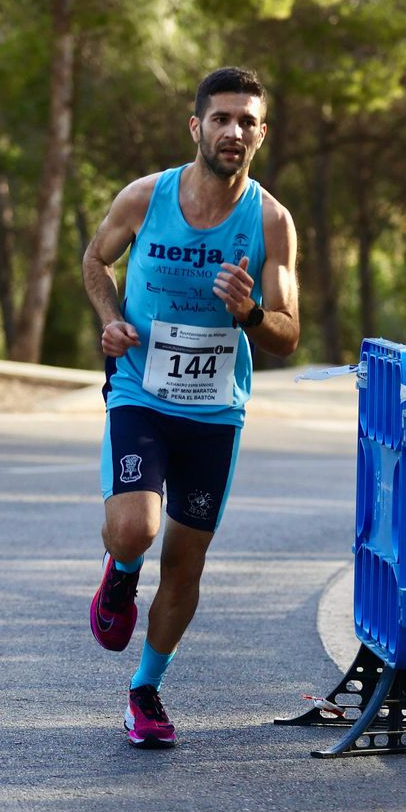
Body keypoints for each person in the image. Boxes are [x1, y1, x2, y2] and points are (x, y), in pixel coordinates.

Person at [79, 67, 300, 748]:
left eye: (246, 121)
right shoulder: (147, 198)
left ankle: (145, 690)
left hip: (213, 413)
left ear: (261, 135)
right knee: (135, 530)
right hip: (141, 391)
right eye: (221, 118)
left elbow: (288, 335)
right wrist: (111, 319)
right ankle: (118, 575)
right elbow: (95, 259)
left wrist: (252, 312)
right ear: (195, 125)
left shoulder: (270, 221)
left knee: (186, 565)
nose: (232, 131)